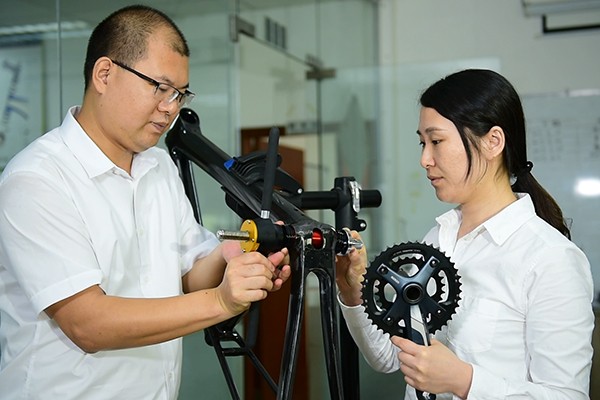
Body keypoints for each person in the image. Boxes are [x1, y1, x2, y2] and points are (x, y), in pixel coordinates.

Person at [0, 5, 291, 399]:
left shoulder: (158, 167)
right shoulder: (37, 179)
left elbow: (189, 273)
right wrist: (221, 301)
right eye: (160, 87)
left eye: (180, 94)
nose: (171, 107)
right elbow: (87, 324)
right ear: (104, 74)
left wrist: (241, 252)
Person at [336, 69, 594, 399]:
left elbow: (567, 396)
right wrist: (352, 289)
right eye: (422, 142)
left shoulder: (550, 259)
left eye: (436, 141)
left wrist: (464, 381)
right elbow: (389, 356)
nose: (424, 159)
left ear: (493, 141)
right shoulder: (436, 240)